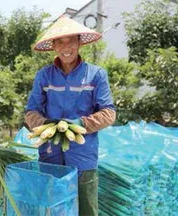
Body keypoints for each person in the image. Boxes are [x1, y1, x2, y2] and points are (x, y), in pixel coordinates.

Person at [24, 16, 116, 216]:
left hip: (83, 154)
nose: (66, 47)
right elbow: (30, 112)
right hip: (50, 153)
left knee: (86, 208)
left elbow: (109, 113)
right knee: (51, 207)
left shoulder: (96, 75)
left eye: (71, 41)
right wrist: (45, 124)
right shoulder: (44, 75)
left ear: (79, 43)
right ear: (54, 46)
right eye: (60, 42)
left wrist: (81, 123)